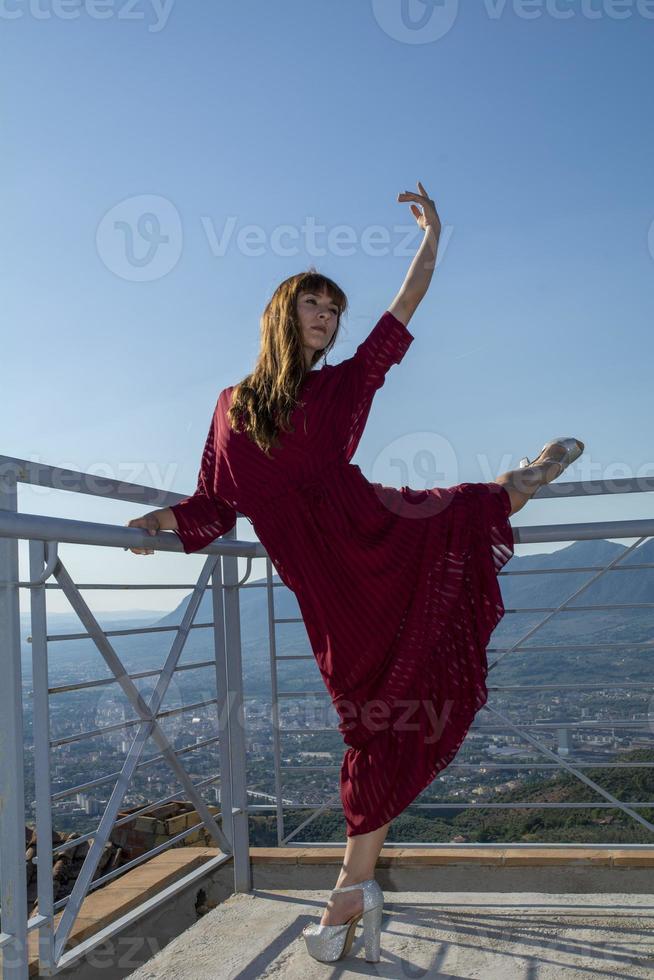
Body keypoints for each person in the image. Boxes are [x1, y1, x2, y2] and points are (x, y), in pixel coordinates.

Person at [126, 181, 584, 964]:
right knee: (366, 725)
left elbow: (404, 310)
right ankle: (350, 893)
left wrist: (431, 234)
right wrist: (161, 522)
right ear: (283, 313)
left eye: (334, 310)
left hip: (376, 534)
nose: (327, 318)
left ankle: (525, 476)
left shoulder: (342, 387)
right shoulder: (231, 406)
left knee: (463, 512)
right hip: (331, 590)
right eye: (315, 304)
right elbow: (214, 500)